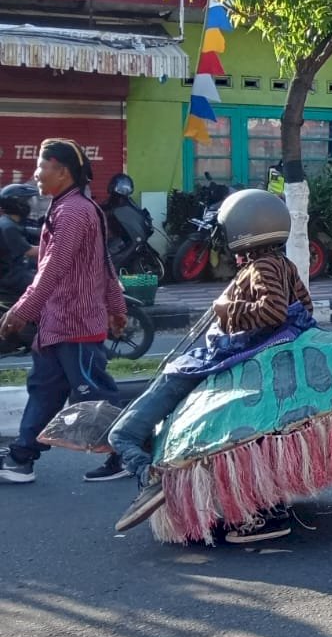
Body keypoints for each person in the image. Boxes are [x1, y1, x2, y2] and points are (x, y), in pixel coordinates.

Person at [112, 189, 317, 542]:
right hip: (248, 354)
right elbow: (304, 309)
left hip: (220, 357)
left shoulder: (261, 266)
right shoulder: (282, 264)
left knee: (122, 434)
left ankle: (152, 478)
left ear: (242, 230)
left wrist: (228, 311)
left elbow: (273, 312)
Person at [0, 140, 126, 485]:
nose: (36, 175)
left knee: (95, 395)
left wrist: (22, 310)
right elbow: (103, 263)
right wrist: (117, 307)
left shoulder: (73, 212)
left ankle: (130, 452)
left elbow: (53, 268)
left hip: (76, 324)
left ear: (62, 170)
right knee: (44, 389)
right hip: (57, 324)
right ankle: (20, 459)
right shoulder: (70, 207)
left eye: (41, 167)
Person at [0, 182, 36, 300]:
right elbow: (30, 251)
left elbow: (32, 231)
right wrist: (61, 247)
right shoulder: (8, 227)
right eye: (26, 202)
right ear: (18, 204)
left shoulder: (10, 222)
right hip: (10, 275)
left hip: (16, 267)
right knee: (49, 284)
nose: (30, 205)